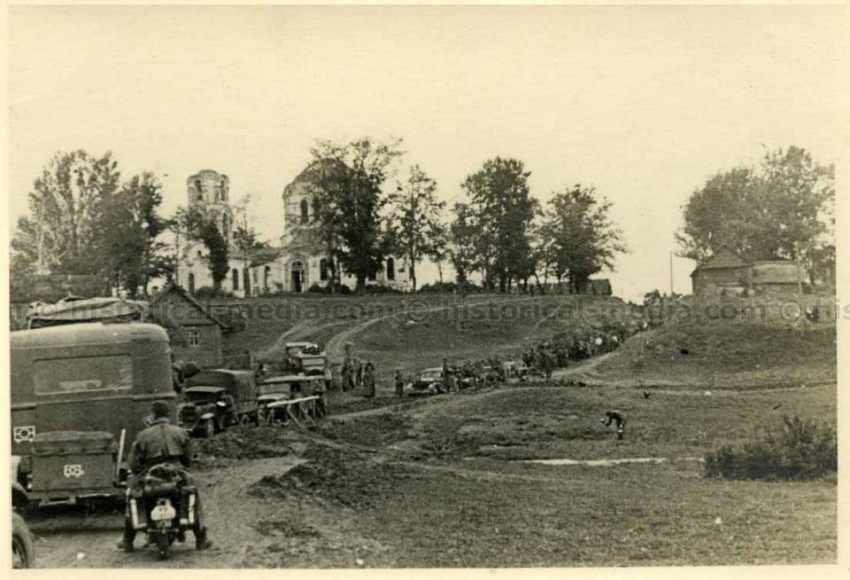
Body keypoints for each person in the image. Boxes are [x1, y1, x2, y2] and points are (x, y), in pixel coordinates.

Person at [119, 401, 211, 552]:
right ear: (168, 415)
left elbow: (134, 463)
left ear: (153, 415)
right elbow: (188, 459)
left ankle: (127, 541)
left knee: (132, 495)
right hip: (177, 471)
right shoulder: (181, 432)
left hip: (150, 471)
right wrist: (183, 468)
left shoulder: (143, 435)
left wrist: (137, 472)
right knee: (192, 495)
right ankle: (201, 539)